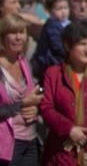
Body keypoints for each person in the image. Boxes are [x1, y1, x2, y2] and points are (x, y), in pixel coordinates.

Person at [39, 21, 87, 165]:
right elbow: (46, 108)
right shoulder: (53, 74)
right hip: (62, 154)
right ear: (68, 46)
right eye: (82, 44)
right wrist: (69, 130)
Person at [0, 15, 41, 165]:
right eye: (13, 32)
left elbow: (32, 98)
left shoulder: (23, 62)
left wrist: (35, 109)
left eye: (22, 32)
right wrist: (23, 103)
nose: (19, 37)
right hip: (6, 145)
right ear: (2, 36)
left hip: (30, 139)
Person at [30, 0, 69, 77]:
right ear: (49, 11)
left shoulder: (66, 23)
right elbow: (57, 45)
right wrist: (70, 53)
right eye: (59, 9)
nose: (63, 12)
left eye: (65, 8)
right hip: (49, 62)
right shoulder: (52, 25)